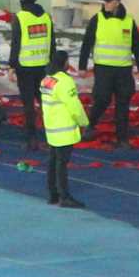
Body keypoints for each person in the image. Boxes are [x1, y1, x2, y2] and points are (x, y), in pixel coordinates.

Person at [77, 0, 139, 145]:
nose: (105, 4)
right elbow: (87, 43)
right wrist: (82, 66)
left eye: (108, 1)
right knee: (102, 100)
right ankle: (90, 124)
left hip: (123, 70)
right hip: (103, 69)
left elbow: (137, 46)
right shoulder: (97, 19)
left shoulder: (128, 21)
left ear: (117, 3)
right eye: (105, 1)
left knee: (123, 103)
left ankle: (122, 138)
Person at [40, 49, 88, 208]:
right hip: (64, 128)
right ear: (64, 62)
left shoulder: (47, 79)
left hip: (52, 127)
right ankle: (64, 196)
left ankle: (52, 194)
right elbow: (74, 106)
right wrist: (83, 122)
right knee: (61, 164)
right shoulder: (65, 81)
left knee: (53, 161)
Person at [11, 0, 54, 150]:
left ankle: (32, 139)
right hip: (44, 67)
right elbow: (52, 42)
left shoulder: (20, 17)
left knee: (28, 105)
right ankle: (51, 137)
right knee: (46, 103)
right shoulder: (46, 17)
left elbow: (16, 43)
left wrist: (12, 66)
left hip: (25, 68)